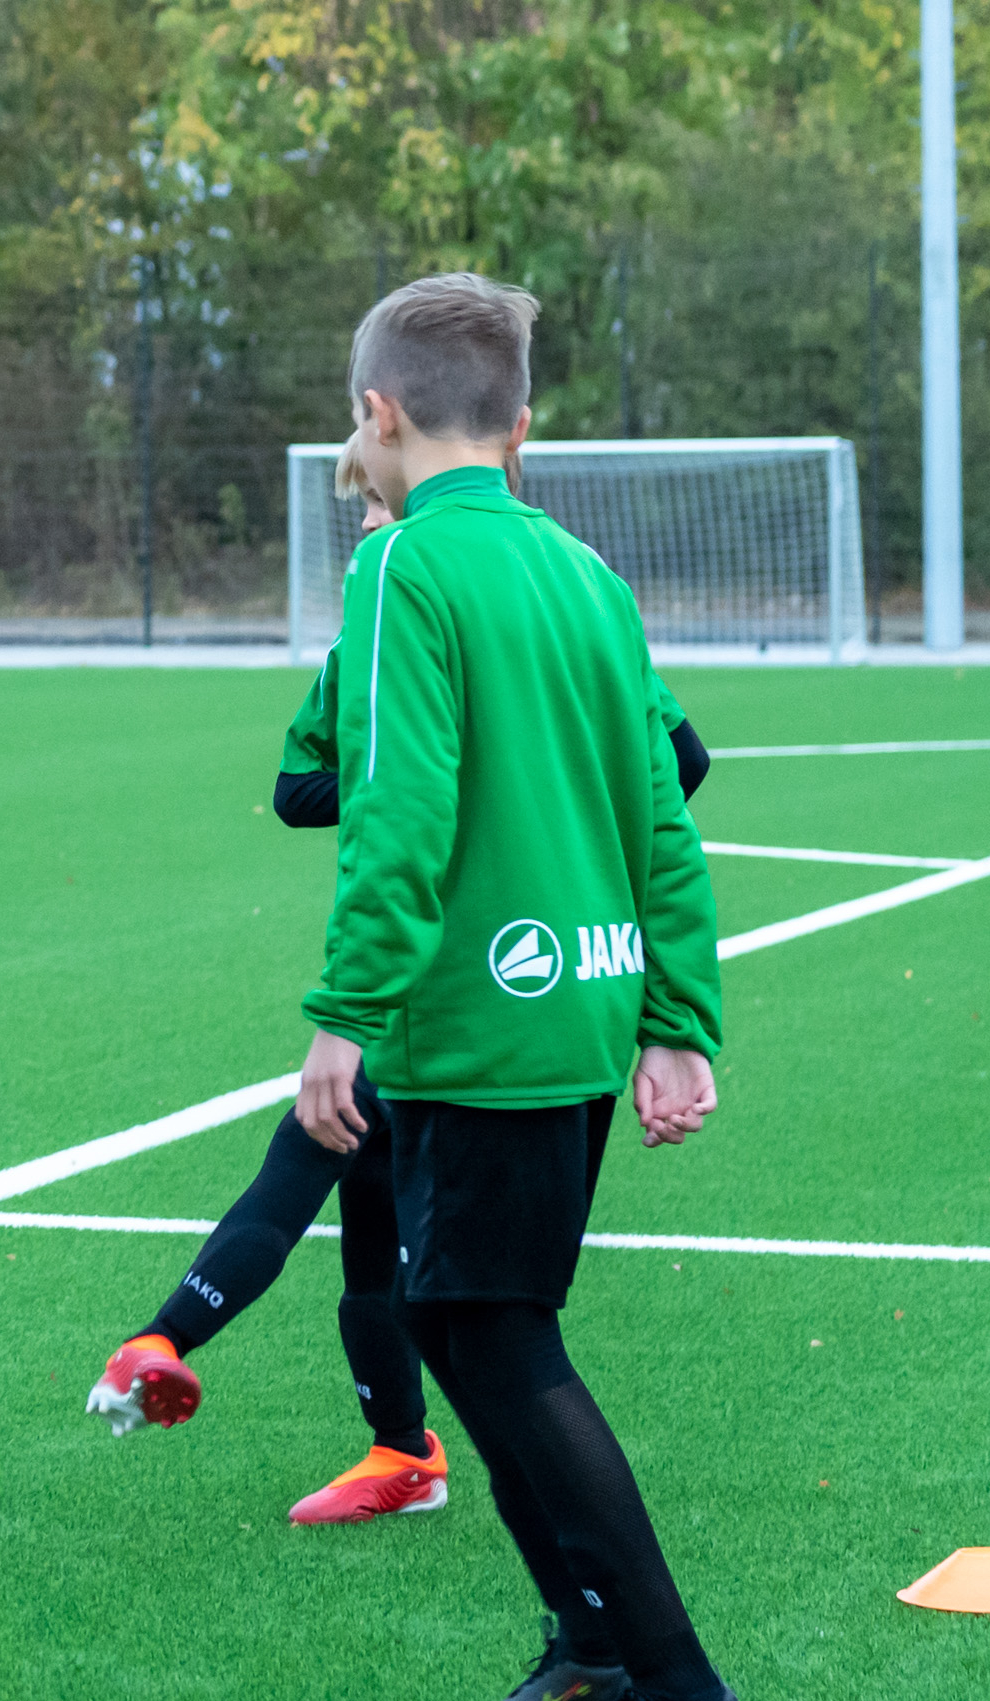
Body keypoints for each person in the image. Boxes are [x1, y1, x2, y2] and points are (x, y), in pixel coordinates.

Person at [299, 274, 746, 1701]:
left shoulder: (403, 572)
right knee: (458, 1318)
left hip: (476, 1021)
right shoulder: (584, 574)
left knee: (495, 1332)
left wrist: (344, 1013)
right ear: (523, 423)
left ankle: (678, 1686)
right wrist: (676, 1018)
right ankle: (592, 1640)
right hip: (577, 1007)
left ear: (377, 415)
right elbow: (661, 817)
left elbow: (397, 813)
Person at [90, 450, 716, 1537]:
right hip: (419, 974)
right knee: (369, 1236)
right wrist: (404, 777)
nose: (378, 525)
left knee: (392, 1231)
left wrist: (508, 797)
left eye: (382, 501)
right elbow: (297, 791)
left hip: (484, 993)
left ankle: (175, 1344)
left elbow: (682, 761)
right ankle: (399, 1450)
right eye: (370, 512)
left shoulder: (533, 596)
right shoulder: (370, 639)